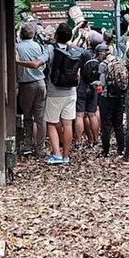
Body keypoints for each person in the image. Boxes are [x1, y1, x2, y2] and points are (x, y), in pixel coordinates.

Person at [43, 22, 80, 165]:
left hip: (55, 92)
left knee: (51, 124)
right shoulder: (73, 50)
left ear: (56, 35)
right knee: (68, 124)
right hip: (71, 92)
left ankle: (57, 155)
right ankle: (66, 156)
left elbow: (40, 63)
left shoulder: (51, 49)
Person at [14, 22, 47, 158]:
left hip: (26, 84)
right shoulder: (39, 46)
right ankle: (40, 148)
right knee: (40, 118)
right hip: (41, 83)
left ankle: (27, 145)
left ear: (21, 33)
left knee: (27, 117)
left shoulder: (17, 47)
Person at [97, 44, 126, 157]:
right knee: (118, 124)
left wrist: (96, 87)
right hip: (120, 96)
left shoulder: (103, 64)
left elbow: (102, 83)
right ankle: (121, 149)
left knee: (106, 125)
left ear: (101, 53)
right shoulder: (119, 61)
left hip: (107, 97)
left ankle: (106, 151)